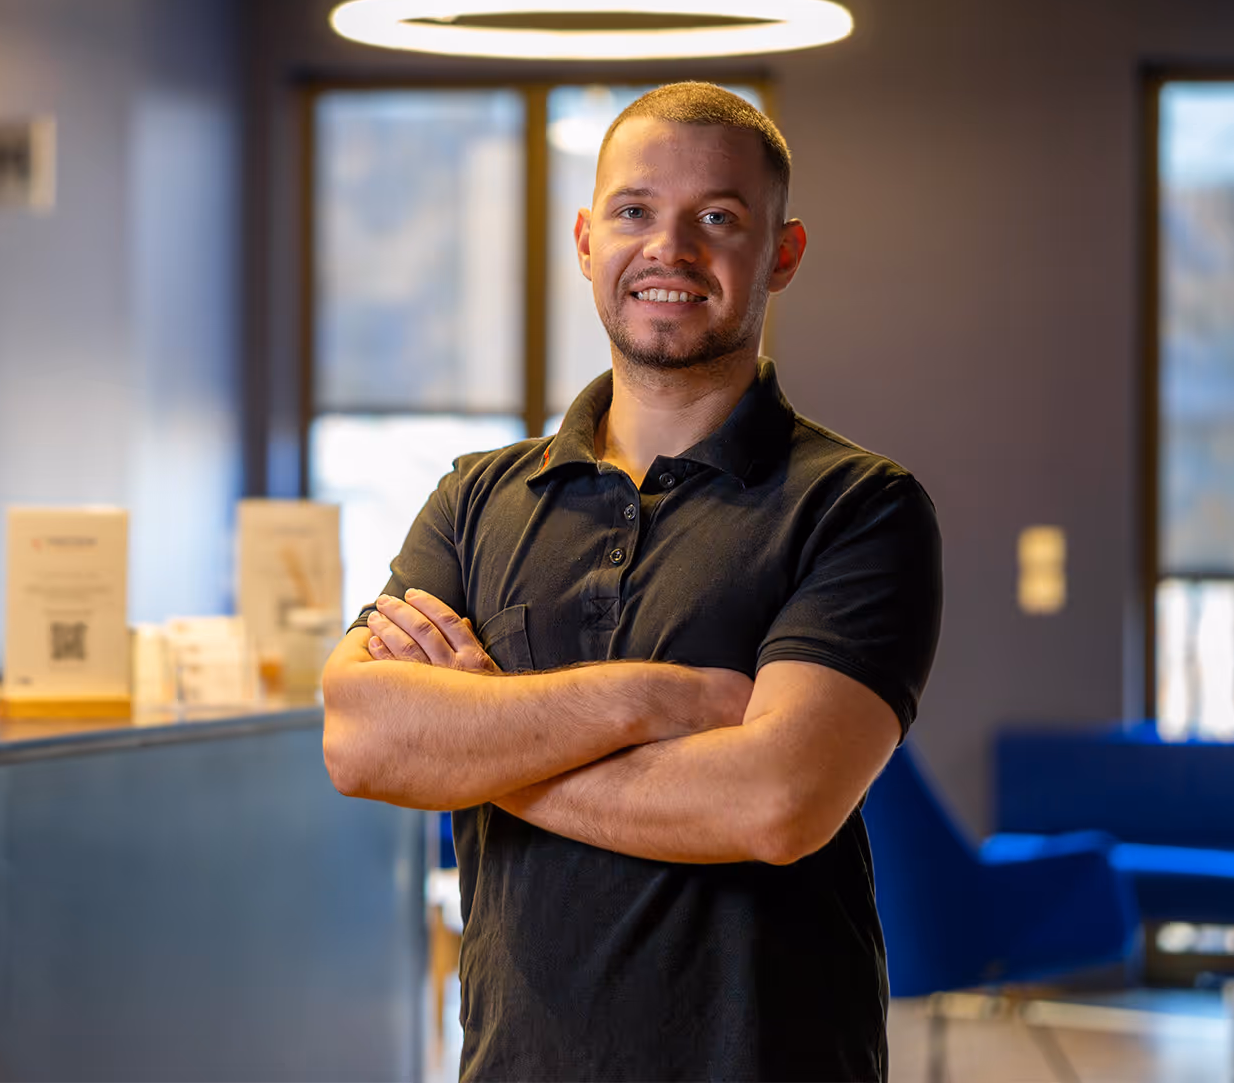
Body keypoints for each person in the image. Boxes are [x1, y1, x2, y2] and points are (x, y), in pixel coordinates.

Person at [321, 82, 942, 1082]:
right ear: (584, 238)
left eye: (719, 218)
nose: (670, 248)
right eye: (634, 210)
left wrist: (477, 738)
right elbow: (361, 734)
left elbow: (775, 802)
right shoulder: (477, 498)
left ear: (781, 253)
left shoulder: (859, 506)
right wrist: (656, 697)